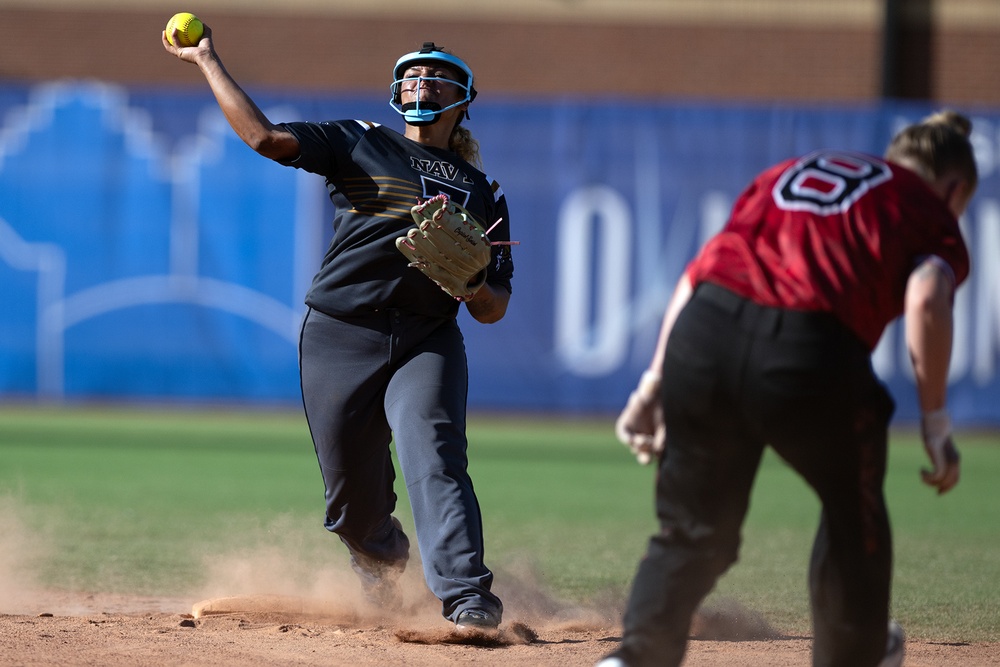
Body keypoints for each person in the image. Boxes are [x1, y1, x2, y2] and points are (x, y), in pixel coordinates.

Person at [162, 27, 513, 631]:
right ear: (396, 91)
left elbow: (493, 307)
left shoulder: (484, 192)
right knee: (352, 500)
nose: (422, 82)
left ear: (463, 100)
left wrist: (475, 284)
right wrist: (207, 59)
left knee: (435, 457)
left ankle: (467, 598)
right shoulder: (360, 140)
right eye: (412, 74)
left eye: (437, 76)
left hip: (427, 338)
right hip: (341, 331)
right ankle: (381, 562)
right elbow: (265, 138)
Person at [601, 110, 976, 667]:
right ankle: (857, 652)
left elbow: (698, 273)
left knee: (694, 530)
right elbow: (926, 297)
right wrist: (936, 424)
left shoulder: (787, 172)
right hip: (809, 349)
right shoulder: (927, 207)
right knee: (853, 518)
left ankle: (634, 658)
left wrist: (653, 384)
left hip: (703, 334)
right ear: (955, 187)